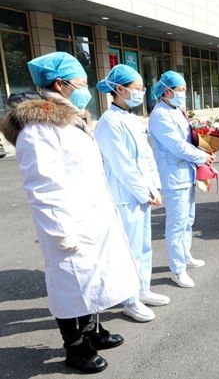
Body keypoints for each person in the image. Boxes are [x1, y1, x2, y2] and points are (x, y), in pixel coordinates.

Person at [0, 52, 140, 373]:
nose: (85, 88)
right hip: (67, 223)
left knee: (92, 279)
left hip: (91, 217)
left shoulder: (70, 118)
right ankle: (75, 346)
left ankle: (92, 331)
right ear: (60, 84)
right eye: (81, 82)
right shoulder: (39, 127)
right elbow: (42, 185)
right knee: (69, 285)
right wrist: (60, 231)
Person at [95, 65, 170, 322]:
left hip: (141, 194)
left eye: (142, 88)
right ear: (119, 89)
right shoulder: (108, 122)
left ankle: (142, 288)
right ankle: (129, 299)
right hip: (125, 196)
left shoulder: (131, 118)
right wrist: (143, 192)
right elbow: (123, 165)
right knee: (129, 250)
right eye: (136, 88)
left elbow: (146, 157)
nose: (141, 92)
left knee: (144, 246)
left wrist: (154, 187)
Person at [148, 71, 215, 289]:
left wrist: (205, 148)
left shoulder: (176, 110)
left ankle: (185, 255)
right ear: (166, 91)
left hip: (187, 173)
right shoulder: (160, 115)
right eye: (180, 90)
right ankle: (177, 269)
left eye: (185, 89)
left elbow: (189, 139)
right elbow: (177, 146)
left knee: (188, 220)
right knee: (176, 224)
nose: (183, 93)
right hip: (173, 175)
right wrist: (202, 156)